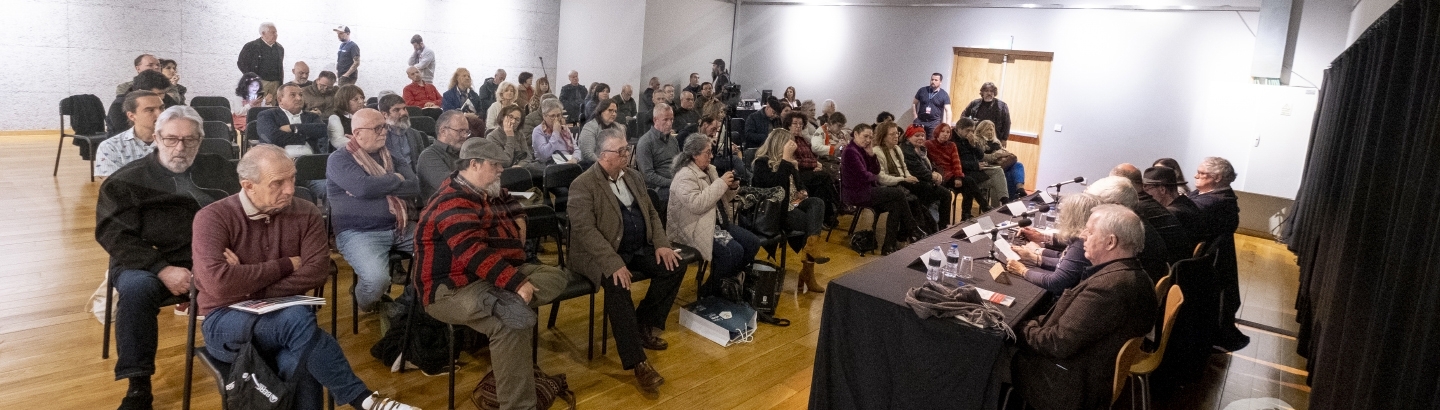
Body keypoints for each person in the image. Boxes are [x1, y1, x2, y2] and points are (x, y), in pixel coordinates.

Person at [192, 145, 419, 410]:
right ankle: (363, 400)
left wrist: (243, 281)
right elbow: (217, 284)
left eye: (293, 178)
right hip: (226, 319)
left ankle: (365, 401)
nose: (289, 189)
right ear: (248, 185)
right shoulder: (212, 218)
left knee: (299, 356)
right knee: (299, 318)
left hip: (285, 318)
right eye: (277, 183)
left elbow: (317, 272)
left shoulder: (306, 211)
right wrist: (287, 264)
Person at [413, 136, 576, 409]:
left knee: (558, 276)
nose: (502, 169)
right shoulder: (452, 200)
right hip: (452, 288)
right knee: (511, 324)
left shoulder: (490, 189)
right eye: (495, 164)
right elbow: (471, 252)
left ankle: (504, 300)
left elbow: (511, 201)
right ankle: (518, 406)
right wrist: (515, 282)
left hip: (494, 276)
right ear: (474, 164)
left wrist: (521, 218)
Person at [96, 105, 238, 410]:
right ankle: (138, 386)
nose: (180, 148)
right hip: (148, 261)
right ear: (157, 138)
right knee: (135, 289)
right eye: (172, 139)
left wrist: (238, 247)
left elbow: (240, 210)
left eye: (189, 140)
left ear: (200, 140)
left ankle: (250, 366)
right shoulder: (127, 180)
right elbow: (115, 236)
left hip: (212, 259)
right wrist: (161, 269)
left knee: (259, 271)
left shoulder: (219, 168)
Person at [568, 128, 685, 393]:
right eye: (619, 151)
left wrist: (662, 244)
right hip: (601, 253)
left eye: (626, 149)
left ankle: (641, 323)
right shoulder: (583, 185)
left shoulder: (633, 176)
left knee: (674, 266)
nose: (626, 155)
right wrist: (612, 262)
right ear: (601, 155)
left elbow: (652, 214)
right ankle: (637, 362)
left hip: (635, 247)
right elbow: (586, 231)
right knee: (618, 283)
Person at [1011, 204, 1158, 410]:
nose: (1082, 236)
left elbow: (1056, 342)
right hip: (1090, 369)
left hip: (1069, 385)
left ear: (1110, 242)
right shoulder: (1131, 273)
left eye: (1089, 232)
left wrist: (1015, 325)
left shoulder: (1109, 288)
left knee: (992, 352)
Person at [328, 108, 419, 313]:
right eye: (377, 128)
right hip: (359, 233)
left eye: (384, 126)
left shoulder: (391, 154)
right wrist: (395, 179)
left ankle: (409, 303)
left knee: (441, 252)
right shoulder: (339, 159)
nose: (384, 132)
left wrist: (374, 186)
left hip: (401, 225)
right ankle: (364, 302)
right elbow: (363, 187)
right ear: (358, 133)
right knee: (377, 280)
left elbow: (414, 186)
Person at [667, 136, 760, 301]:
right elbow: (698, 204)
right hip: (692, 228)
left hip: (715, 223)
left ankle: (725, 282)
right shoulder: (684, 176)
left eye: (711, 152)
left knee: (752, 242)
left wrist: (731, 188)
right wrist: (721, 184)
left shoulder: (710, 169)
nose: (711, 156)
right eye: (707, 152)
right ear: (694, 155)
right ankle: (711, 291)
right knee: (733, 251)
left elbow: (720, 198)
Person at [751, 129, 831, 293]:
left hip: (794, 204)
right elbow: (775, 189)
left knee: (817, 203)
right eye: (789, 144)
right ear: (779, 144)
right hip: (777, 210)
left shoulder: (789, 164)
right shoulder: (762, 163)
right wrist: (786, 161)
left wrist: (803, 192)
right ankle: (808, 272)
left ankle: (810, 252)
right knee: (812, 224)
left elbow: (799, 186)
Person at [1189, 156, 1247, 352]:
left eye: (1201, 173)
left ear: (1217, 177)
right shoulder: (1218, 196)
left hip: (1208, 267)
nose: (1195, 176)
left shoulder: (1214, 203)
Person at [1006, 193, 1104, 295]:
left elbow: (1055, 283)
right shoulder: (1082, 238)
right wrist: (1034, 256)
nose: (1060, 216)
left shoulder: (1082, 243)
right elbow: (1065, 260)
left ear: (1072, 217)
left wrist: (1022, 270)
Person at [840, 123, 915, 254]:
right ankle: (912, 228)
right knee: (897, 193)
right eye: (865, 136)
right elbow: (865, 176)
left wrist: (871, 155)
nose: (868, 140)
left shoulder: (863, 150)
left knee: (895, 204)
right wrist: (873, 176)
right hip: (856, 194)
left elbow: (875, 170)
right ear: (856, 134)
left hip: (867, 190)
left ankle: (888, 246)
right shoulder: (850, 151)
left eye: (870, 137)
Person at [1084, 176, 1171, 283]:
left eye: (1097, 204)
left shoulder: (1127, 237)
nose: (1092, 209)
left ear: (1116, 206)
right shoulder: (1137, 226)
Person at [1112, 163, 1192, 263]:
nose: (1145, 190)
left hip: (1165, 268)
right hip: (1173, 266)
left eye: (1147, 187)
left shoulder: (1136, 208)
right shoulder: (1150, 204)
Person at [872, 124, 941, 235]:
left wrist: (909, 177)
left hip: (901, 181)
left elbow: (904, 169)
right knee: (914, 197)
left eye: (897, 133)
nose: (896, 136)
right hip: (888, 185)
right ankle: (916, 230)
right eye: (892, 134)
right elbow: (882, 178)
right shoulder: (877, 151)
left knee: (926, 191)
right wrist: (904, 179)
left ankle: (925, 228)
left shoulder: (897, 148)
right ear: (883, 136)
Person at [782, 111, 841, 227]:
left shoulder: (802, 139)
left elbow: (812, 156)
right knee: (824, 176)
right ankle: (837, 205)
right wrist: (814, 164)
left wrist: (817, 164)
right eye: (795, 123)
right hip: (796, 174)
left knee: (822, 185)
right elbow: (794, 162)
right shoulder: (787, 140)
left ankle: (823, 218)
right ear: (788, 125)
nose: (798, 126)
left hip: (809, 172)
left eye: (800, 124)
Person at [95, 91, 163, 179]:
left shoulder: (179, 140)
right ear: (131, 116)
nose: (160, 114)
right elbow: (112, 188)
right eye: (150, 110)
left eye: (162, 108)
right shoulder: (110, 146)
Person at [899, 124, 956, 228]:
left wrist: (935, 173)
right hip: (911, 182)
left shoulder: (921, 149)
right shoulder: (906, 150)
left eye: (922, 135)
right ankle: (937, 225)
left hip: (923, 180)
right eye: (917, 135)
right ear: (908, 137)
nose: (921, 138)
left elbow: (928, 166)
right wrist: (933, 177)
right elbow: (917, 170)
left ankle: (937, 224)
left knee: (944, 192)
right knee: (945, 194)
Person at [1141, 165, 1203, 251]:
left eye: (1146, 188)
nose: (1145, 194)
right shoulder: (1188, 203)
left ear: (1162, 189)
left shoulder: (1171, 214)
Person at [257, 83, 328, 158]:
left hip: (310, 161)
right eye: (293, 95)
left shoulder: (312, 116)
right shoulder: (267, 115)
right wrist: (304, 137)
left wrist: (293, 128)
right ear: (280, 100)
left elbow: (322, 130)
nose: (299, 98)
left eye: (300, 95)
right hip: (278, 161)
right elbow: (273, 137)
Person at [417, 110, 471, 200]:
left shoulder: (466, 153)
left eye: (466, 131)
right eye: (461, 131)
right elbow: (450, 187)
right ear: (443, 131)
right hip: (443, 210)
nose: (464, 136)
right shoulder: (428, 156)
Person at [954, 119, 1002, 218]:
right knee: (970, 181)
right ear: (959, 129)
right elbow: (956, 162)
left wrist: (973, 145)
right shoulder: (953, 141)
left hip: (973, 169)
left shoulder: (968, 139)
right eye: (968, 130)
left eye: (972, 131)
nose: (970, 133)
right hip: (960, 171)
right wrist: (975, 165)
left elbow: (980, 156)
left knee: (998, 172)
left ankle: (1002, 202)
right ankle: (983, 208)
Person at [109, 70, 175, 137]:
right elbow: (124, 134)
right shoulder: (118, 106)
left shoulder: (166, 98)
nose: (160, 98)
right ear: (141, 91)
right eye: (157, 94)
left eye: (163, 93)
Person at [487, 104, 546, 177]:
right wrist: (510, 137)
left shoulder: (519, 134)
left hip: (520, 171)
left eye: (517, 119)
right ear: (502, 117)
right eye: (510, 117)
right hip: (503, 174)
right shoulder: (492, 137)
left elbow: (527, 156)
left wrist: (520, 166)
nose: (513, 121)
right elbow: (506, 162)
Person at [636, 103, 680, 197]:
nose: (670, 123)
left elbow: (679, 165)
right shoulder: (645, 142)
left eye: (671, 119)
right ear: (655, 120)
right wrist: (672, 182)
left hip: (675, 183)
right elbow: (648, 176)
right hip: (658, 188)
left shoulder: (673, 140)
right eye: (665, 120)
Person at [378, 94, 430, 167]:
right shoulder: (379, 137)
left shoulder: (415, 134)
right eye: (396, 110)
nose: (404, 113)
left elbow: (422, 162)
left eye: (404, 108)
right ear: (385, 114)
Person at [237, 22, 284, 102]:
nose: (276, 35)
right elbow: (241, 63)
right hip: (259, 83)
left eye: (276, 32)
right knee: (257, 105)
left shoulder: (279, 48)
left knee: (272, 107)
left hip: (275, 84)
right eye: (273, 32)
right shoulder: (251, 46)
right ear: (263, 33)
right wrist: (252, 79)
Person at [925, 122, 966, 205]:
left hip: (951, 174)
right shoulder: (928, 144)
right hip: (938, 174)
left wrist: (958, 177)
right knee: (944, 194)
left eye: (948, 132)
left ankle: (968, 213)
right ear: (937, 132)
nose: (945, 134)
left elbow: (956, 162)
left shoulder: (952, 145)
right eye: (942, 131)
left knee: (970, 183)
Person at [531, 99, 578, 165]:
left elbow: (576, 149)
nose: (556, 119)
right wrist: (556, 133)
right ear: (544, 116)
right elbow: (545, 154)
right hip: (549, 164)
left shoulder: (564, 128)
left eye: (558, 115)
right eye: (552, 116)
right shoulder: (538, 131)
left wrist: (575, 159)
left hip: (568, 161)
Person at [579, 99, 621, 167]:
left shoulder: (617, 127)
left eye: (615, 111)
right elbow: (588, 153)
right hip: (592, 165)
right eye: (610, 110)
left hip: (611, 164)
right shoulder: (590, 127)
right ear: (601, 111)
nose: (614, 114)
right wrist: (605, 163)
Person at [326, 84, 366, 149]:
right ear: (344, 101)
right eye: (356, 99)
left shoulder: (366, 115)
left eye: (362, 98)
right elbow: (339, 141)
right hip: (343, 154)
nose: (361, 102)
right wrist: (364, 143)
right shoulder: (335, 117)